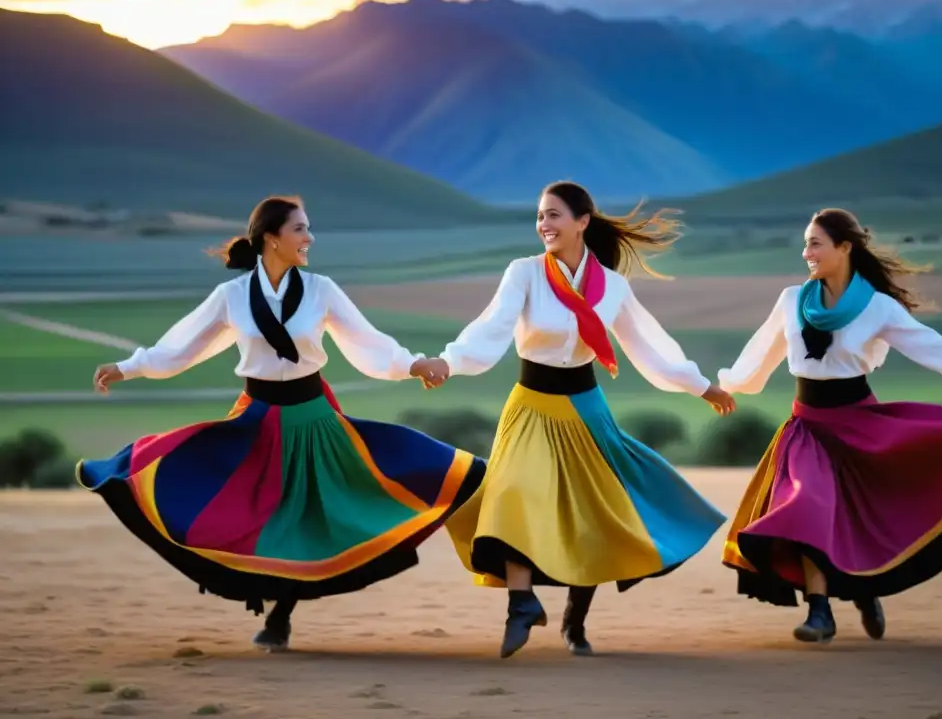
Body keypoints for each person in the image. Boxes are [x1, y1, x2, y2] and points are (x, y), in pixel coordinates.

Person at [77, 195, 486, 652]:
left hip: (313, 417)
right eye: (300, 229)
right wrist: (128, 367)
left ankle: (281, 616)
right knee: (254, 511)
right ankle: (268, 604)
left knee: (312, 516)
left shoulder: (321, 290)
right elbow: (180, 348)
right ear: (272, 238)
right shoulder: (231, 297)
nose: (309, 238)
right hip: (258, 418)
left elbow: (366, 342)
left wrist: (413, 365)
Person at [416, 181, 734, 659]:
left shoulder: (613, 287)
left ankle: (575, 619)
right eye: (540, 216)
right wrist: (450, 361)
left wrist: (700, 385)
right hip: (530, 405)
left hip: (585, 407)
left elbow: (648, 344)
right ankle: (521, 604)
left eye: (554, 216)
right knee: (515, 494)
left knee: (589, 511)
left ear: (582, 222)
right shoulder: (524, 274)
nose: (544, 224)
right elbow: (492, 327)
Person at [717, 207, 942, 644]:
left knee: (862, 518)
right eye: (806, 243)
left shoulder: (878, 307)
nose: (807, 252)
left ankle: (864, 588)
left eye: (816, 243)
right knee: (806, 508)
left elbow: (929, 346)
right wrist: (728, 385)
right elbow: (759, 354)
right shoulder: (791, 300)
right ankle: (820, 613)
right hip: (807, 428)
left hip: (861, 423)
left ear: (845, 248)